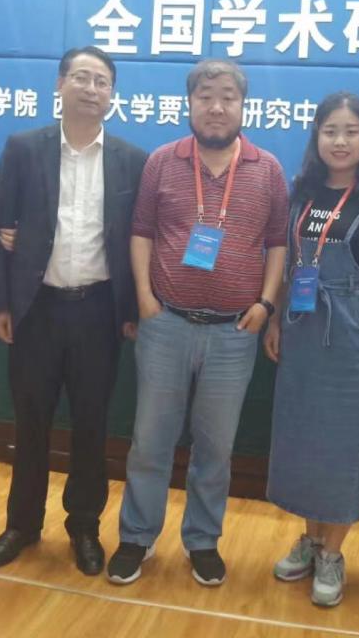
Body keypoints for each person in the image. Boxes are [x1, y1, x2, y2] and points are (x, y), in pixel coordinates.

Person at [106, 59, 288, 588]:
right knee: (150, 441)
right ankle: (137, 536)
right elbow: (141, 231)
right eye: (206, 96)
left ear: (243, 106)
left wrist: (266, 304)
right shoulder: (163, 161)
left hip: (235, 332)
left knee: (216, 447)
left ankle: (203, 540)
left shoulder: (267, 169)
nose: (216, 107)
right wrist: (144, 297)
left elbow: (278, 242)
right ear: (189, 103)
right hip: (166, 324)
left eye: (228, 96)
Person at [0, 47, 147, 576]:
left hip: (98, 311)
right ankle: (22, 524)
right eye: (81, 77)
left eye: (101, 81)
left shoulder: (131, 159)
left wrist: (129, 310)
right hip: (37, 310)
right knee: (30, 423)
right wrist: (2, 303)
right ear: (60, 84)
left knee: (91, 426)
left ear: (112, 94)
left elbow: (135, 240)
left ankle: (84, 527)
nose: (91, 88)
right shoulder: (24, 148)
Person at [264, 92, 359, 607]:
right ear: (316, 137)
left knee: (344, 442)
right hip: (303, 324)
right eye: (330, 131)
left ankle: (333, 551)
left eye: (351, 131)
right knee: (304, 438)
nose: (340, 141)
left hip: (353, 329)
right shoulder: (301, 191)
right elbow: (290, 261)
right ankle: (310, 538)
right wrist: (277, 318)